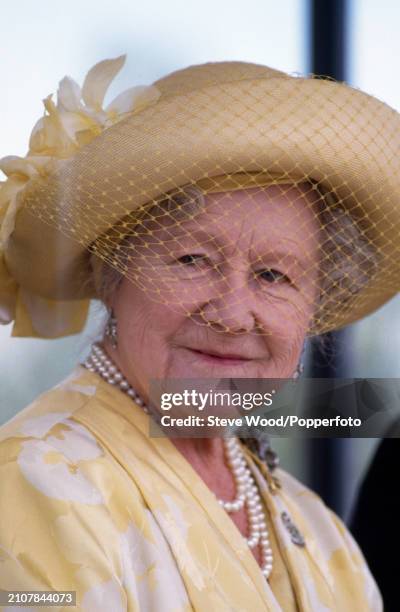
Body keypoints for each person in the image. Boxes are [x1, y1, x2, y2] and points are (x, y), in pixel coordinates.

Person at [1, 55, 397, 610]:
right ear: (112, 274)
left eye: (273, 275)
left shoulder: (310, 520)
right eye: (192, 259)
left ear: (313, 306)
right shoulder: (34, 482)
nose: (234, 315)